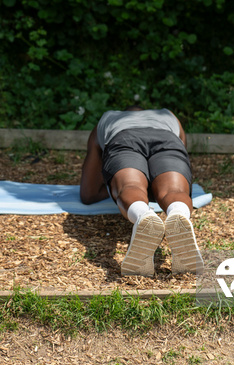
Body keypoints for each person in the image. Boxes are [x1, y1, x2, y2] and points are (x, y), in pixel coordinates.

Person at [79, 106, 203, 276]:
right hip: (167, 139)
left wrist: (112, 188)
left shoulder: (108, 118)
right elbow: (183, 157)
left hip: (124, 139)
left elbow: (88, 193)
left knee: (130, 187)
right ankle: (177, 212)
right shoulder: (168, 115)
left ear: (125, 112)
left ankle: (142, 215)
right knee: (173, 190)